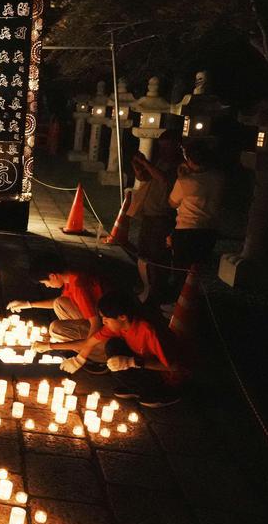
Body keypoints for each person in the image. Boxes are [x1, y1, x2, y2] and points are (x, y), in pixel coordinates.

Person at [57, 290, 187, 407]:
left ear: (122, 316)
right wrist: (77, 359)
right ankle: (136, 388)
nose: (103, 322)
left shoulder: (149, 331)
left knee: (115, 349)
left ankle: (167, 394)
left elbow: (175, 366)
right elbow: (89, 342)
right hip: (144, 365)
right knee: (112, 345)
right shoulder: (119, 325)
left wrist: (131, 362)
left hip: (168, 378)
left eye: (106, 318)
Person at [7, 252, 107, 369]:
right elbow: (59, 302)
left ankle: (97, 356)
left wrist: (80, 358)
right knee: (60, 303)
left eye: (45, 283)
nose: (47, 286)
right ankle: (79, 345)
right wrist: (28, 304)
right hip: (99, 323)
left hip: (108, 340)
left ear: (52, 276)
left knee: (56, 329)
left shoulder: (79, 286)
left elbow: (96, 323)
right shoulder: (72, 277)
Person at [129, 130, 180, 304]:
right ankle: (145, 285)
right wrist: (138, 167)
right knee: (143, 252)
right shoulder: (160, 161)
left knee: (157, 254)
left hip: (162, 215)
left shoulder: (178, 166)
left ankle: (157, 289)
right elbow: (145, 178)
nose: (164, 150)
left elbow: (164, 180)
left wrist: (145, 162)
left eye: (167, 147)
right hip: (148, 214)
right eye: (161, 146)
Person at [168, 138, 224, 287]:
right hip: (209, 230)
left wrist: (181, 177)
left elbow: (172, 203)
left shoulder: (186, 181)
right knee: (198, 270)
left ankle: (178, 301)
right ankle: (193, 301)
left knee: (181, 270)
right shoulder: (219, 178)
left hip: (186, 230)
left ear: (190, 159)